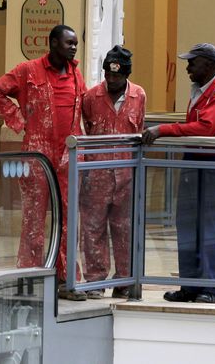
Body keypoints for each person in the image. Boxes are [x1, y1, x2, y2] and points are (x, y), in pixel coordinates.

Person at [0, 24, 88, 301]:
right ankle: (30, 277)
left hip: (68, 155)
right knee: (34, 218)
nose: (73, 48)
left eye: (75, 44)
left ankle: (66, 278)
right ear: (53, 43)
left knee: (68, 218)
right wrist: (18, 120)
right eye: (68, 43)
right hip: (37, 153)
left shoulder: (76, 74)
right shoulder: (27, 70)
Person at [141, 42, 215, 304]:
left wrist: (164, 130)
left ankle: (214, 289)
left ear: (208, 64)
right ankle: (191, 285)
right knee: (187, 225)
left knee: (210, 228)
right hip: (193, 162)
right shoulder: (199, 91)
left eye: (192, 63)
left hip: (214, 166)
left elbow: (205, 128)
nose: (187, 68)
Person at [80, 45, 146, 299]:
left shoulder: (138, 96)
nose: (112, 80)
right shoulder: (91, 97)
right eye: (109, 75)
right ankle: (95, 280)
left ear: (126, 75)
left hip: (126, 175)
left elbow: (138, 127)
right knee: (93, 229)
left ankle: (124, 280)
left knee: (124, 229)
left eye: (117, 76)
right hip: (96, 175)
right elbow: (85, 127)